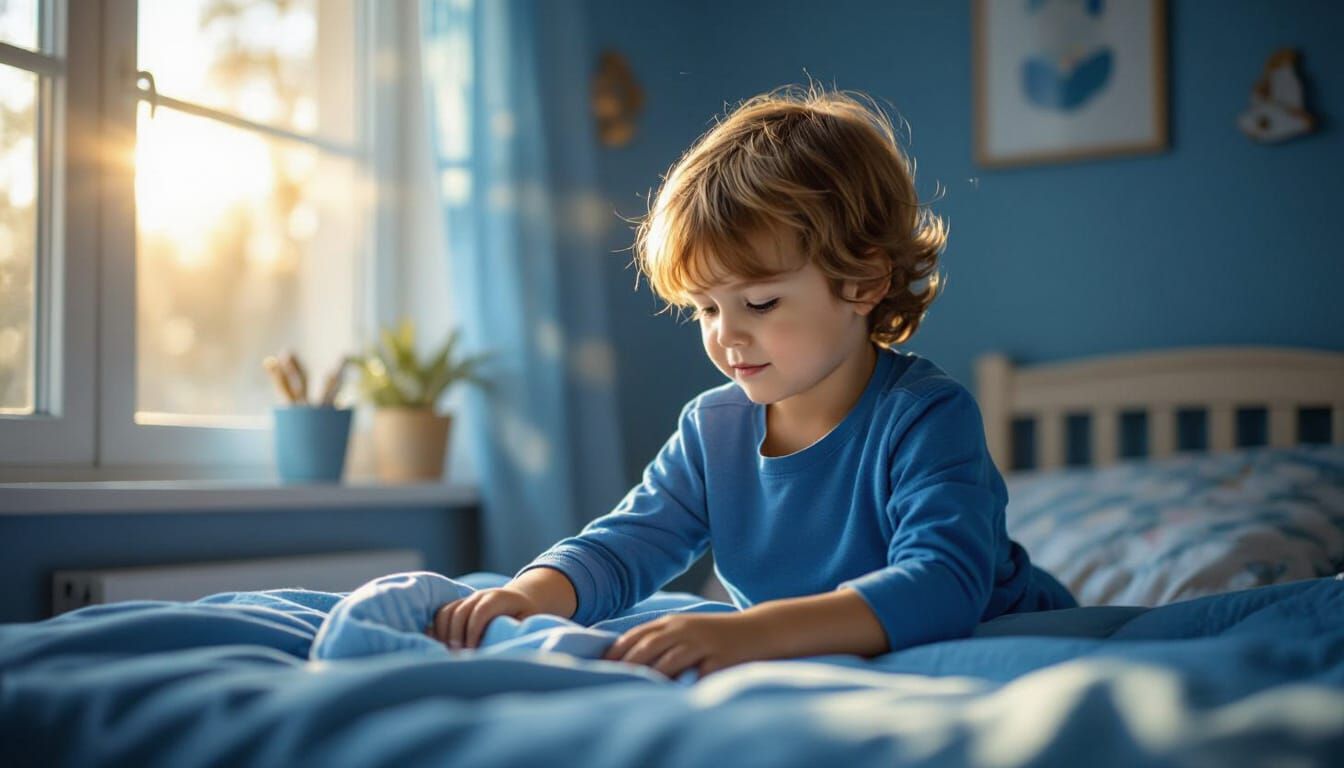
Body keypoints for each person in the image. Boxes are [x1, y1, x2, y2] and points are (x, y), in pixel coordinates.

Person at [428, 83, 1076, 679]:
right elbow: (626, 545)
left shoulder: (926, 417)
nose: (725, 335)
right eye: (706, 309)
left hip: (1006, 636)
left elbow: (942, 585)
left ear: (864, 283)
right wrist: (525, 593)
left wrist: (751, 635)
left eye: (759, 303)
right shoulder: (713, 429)